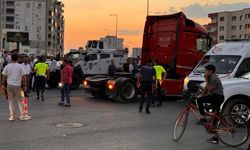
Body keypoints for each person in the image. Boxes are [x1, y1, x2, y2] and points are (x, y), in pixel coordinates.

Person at [196, 64, 224, 144]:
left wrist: (206, 79)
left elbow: (210, 90)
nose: (205, 72)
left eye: (206, 71)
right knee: (215, 118)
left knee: (200, 101)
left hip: (217, 97)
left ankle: (203, 118)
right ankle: (215, 139)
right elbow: (206, 88)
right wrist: (201, 95)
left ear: (211, 71)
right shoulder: (210, 77)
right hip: (215, 97)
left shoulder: (214, 78)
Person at [1, 53, 31, 121]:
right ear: (18, 58)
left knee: (10, 101)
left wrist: (2, 84)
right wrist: (25, 85)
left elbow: (3, 76)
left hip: (9, 85)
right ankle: (22, 114)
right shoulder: (20, 66)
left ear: (11, 58)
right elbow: (24, 77)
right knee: (20, 101)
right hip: (17, 85)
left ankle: (12, 116)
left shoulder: (7, 66)